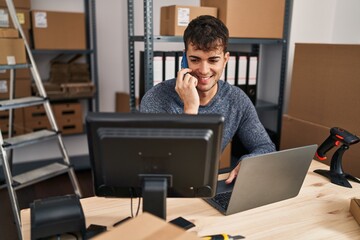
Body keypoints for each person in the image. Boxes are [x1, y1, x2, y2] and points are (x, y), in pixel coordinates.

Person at [140, 15, 275, 184]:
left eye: (213, 60)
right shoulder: (156, 99)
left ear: (225, 60)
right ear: (184, 58)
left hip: (206, 186)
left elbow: (266, 147)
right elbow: (158, 167)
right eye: (195, 60)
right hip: (167, 189)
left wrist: (249, 162)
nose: (204, 70)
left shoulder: (236, 99)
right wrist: (190, 111)